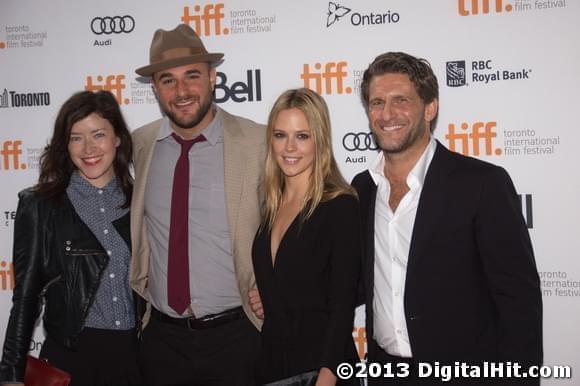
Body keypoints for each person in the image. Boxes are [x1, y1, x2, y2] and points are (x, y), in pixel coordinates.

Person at [351, 52, 543, 385]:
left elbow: (519, 304)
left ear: (430, 108)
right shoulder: (363, 189)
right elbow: (352, 282)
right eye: (377, 102)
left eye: (401, 100)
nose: (387, 114)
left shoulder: (482, 184)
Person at [131, 24, 265, 385]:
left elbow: (299, 224)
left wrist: (278, 288)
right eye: (167, 80)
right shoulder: (141, 146)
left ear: (212, 77)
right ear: (155, 88)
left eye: (192, 76)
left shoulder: (257, 143)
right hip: (162, 342)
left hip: (238, 338)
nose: (181, 91)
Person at [0, 90, 140, 386]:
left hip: (135, 359)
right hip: (71, 361)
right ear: (65, 145)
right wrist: (11, 374)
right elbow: (26, 296)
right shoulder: (41, 206)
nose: (88, 148)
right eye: (76, 137)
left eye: (98, 134)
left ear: (117, 138)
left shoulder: (141, 200)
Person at [252, 88, 360, 385]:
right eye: (280, 135)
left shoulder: (339, 206)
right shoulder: (272, 205)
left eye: (302, 136)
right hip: (273, 365)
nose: (289, 148)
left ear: (319, 140)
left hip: (322, 369)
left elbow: (342, 303)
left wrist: (329, 373)